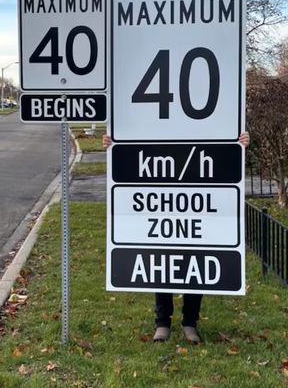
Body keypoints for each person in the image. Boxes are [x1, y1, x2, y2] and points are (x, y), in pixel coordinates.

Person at [102, 131, 250, 343]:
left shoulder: (206, 127)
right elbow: (134, 138)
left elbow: (222, 141)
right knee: (162, 261)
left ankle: (190, 323)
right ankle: (162, 323)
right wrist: (113, 143)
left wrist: (239, 143)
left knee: (196, 262)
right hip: (162, 192)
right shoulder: (158, 124)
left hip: (198, 192)